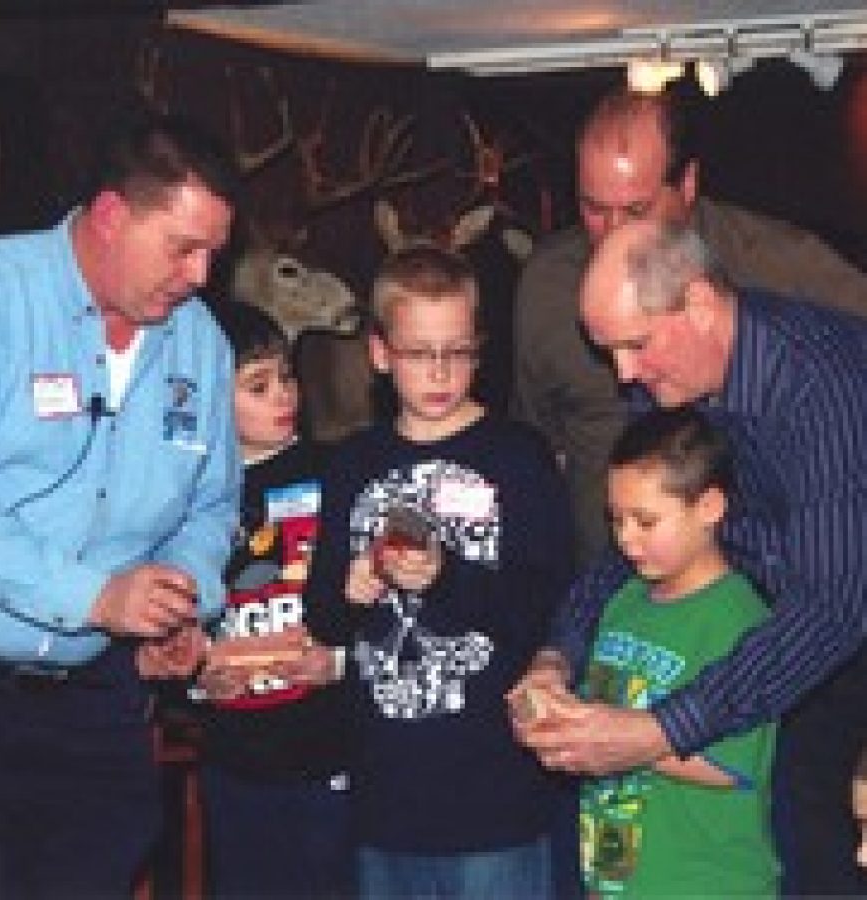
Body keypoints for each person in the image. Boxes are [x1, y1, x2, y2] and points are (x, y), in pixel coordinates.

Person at [511, 218, 867, 896]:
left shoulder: (822, 386)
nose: (624, 375)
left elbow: (832, 607)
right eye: (609, 350)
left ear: (701, 304)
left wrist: (660, 730)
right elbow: (637, 531)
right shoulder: (668, 384)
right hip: (797, 632)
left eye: (638, 345)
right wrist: (559, 654)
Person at [0, 112, 241, 898]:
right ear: (113, 216)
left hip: (91, 710)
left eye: (213, 255)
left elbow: (212, 505)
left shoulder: (202, 345)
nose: (200, 276)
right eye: (183, 248)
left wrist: (175, 600)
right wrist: (92, 596)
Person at [303, 245, 574, 899]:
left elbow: (548, 605)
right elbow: (323, 617)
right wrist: (352, 590)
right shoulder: (352, 464)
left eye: (459, 351)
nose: (441, 372)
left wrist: (446, 579)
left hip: (494, 790)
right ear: (379, 352)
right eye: (420, 352)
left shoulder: (517, 457)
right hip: (387, 791)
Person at [511, 85, 867, 572]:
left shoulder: (782, 265)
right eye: (594, 208)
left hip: (761, 589)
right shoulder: (547, 284)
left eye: (636, 209)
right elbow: (536, 444)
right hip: (614, 590)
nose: (613, 231)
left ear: (688, 183)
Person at [513, 407, 778, 897]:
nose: (626, 539)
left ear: (709, 508)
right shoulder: (624, 599)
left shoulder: (740, 619)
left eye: (646, 521)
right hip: (618, 878)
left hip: (704, 884)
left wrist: (600, 733)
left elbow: (731, 765)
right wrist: (553, 715)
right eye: (616, 520)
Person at [195, 299, 354, 899]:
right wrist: (194, 680)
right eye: (257, 386)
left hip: (325, 742)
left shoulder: (337, 472)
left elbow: (373, 611)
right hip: (235, 753)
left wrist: (339, 662)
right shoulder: (191, 494)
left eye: (287, 377)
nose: (284, 396)